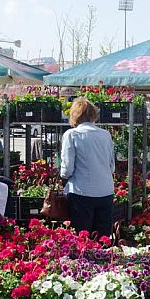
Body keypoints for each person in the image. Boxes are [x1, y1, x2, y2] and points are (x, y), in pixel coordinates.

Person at [60, 98, 115, 237]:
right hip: (105, 191)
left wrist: (63, 178)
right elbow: (111, 166)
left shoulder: (72, 135)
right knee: (103, 239)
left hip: (81, 192)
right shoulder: (105, 135)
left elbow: (67, 169)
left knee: (82, 238)